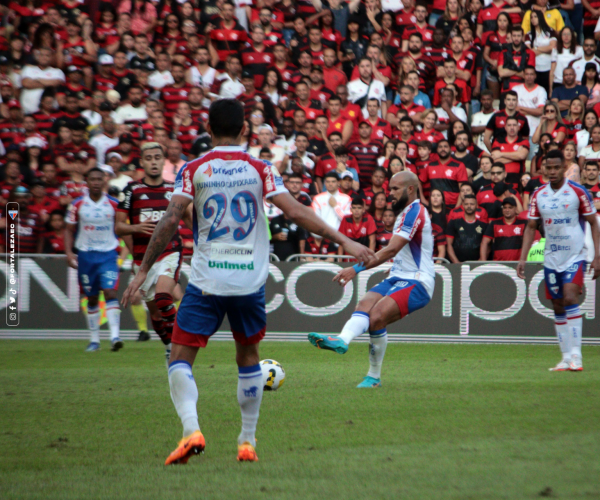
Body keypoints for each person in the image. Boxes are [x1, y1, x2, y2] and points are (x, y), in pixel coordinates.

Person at [120, 99, 374, 465]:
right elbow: (296, 211)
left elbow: (170, 219)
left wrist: (142, 270)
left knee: (179, 357)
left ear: (208, 130)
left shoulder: (193, 169)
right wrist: (345, 241)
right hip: (249, 283)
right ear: (244, 131)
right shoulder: (261, 168)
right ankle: (247, 441)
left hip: (207, 281)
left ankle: (192, 429)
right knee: (248, 357)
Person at [309, 171, 434, 388]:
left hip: (418, 281)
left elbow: (392, 249)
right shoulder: (405, 212)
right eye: (390, 188)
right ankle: (342, 340)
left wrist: (355, 269)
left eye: (395, 189)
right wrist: (396, 266)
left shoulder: (415, 212)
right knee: (365, 304)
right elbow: (404, 251)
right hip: (398, 275)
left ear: (411, 189)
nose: (390, 193)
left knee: (377, 316)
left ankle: (373, 377)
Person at [517, 149, 600, 372]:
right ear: (544, 168)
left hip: (575, 255)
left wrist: (597, 257)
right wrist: (522, 258)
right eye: (549, 167)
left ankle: (577, 356)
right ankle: (565, 358)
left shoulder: (578, 192)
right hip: (552, 258)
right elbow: (531, 227)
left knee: (569, 297)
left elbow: (594, 223)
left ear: (565, 167)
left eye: (557, 167)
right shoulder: (538, 195)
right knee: (556, 304)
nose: (552, 171)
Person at [115, 142, 186, 356]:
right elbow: (118, 226)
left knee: (165, 296)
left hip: (169, 252)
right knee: (155, 314)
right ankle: (169, 347)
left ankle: (179, 346)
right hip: (143, 259)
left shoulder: (173, 189)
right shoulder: (131, 190)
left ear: (163, 161)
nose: (153, 162)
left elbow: (190, 217)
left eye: (157, 157)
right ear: (142, 162)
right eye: (149, 158)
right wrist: (136, 228)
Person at [64, 168, 123, 353]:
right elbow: (68, 229)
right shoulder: (77, 204)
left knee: (110, 292)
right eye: (92, 179)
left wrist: (126, 251)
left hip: (108, 254)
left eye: (99, 179)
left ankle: (115, 337)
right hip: (86, 256)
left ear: (104, 181)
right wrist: (68, 252)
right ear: (86, 182)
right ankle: (94, 340)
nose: (96, 182)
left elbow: (122, 227)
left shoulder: (114, 204)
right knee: (91, 297)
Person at [445, 195, 487, 263]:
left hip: (477, 264)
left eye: (472, 204)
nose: (469, 206)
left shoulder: (484, 225)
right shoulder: (453, 223)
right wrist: (456, 263)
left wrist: (480, 260)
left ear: (476, 205)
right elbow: (448, 244)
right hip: (456, 265)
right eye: (466, 204)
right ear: (463, 205)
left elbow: (487, 246)